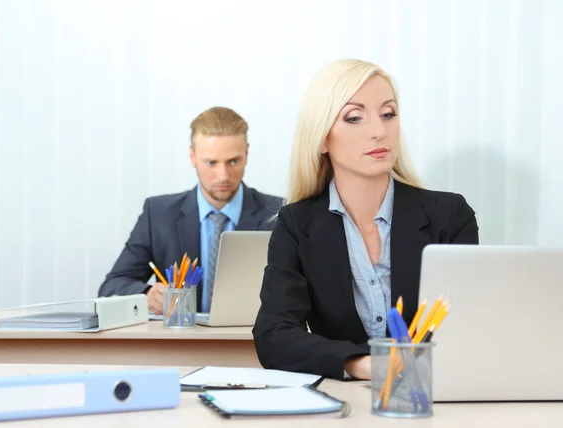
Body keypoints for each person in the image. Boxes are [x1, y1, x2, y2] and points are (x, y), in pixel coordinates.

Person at [252, 59, 479, 381]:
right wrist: (362, 365)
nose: (379, 131)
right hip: (346, 401)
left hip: (432, 395)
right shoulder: (296, 223)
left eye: (388, 114)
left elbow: (469, 325)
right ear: (322, 139)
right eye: (354, 118)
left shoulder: (450, 215)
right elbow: (274, 335)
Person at [99, 106, 283, 315]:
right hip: (182, 343)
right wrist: (147, 294)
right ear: (192, 156)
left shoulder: (280, 213)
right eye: (211, 163)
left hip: (252, 341)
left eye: (233, 161)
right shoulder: (158, 215)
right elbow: (111, 287)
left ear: (247, 154)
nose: (223, 175)